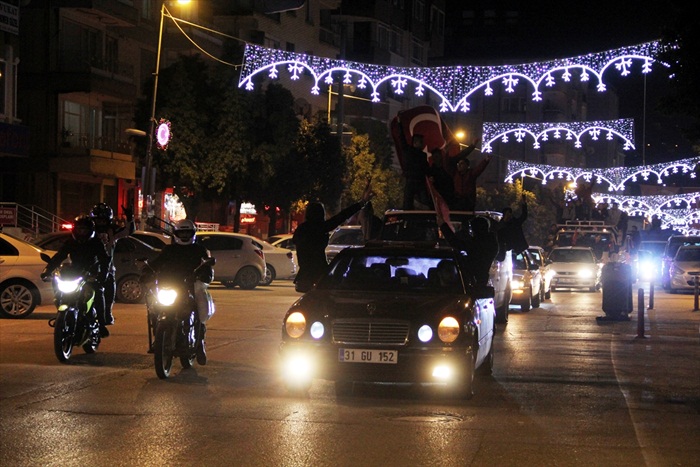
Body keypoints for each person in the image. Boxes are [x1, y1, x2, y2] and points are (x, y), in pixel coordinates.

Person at [145, 219, 214, 364]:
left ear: (193, 234)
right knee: (154, 307)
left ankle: (200, 342)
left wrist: (204, 275)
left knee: (200, 305)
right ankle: (159, 339)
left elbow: (208, 268)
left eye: (187, 232)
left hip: (191, 285)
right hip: (171, 285)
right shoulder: (169, 250)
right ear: (176, 234)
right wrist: (147, 271)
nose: (184, 235)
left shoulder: (200, 250)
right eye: (181, 232)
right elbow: (157, 263)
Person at [293, 181, 373, 293]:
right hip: (318, 275)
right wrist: (362, 203)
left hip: (304, 277)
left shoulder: (301, 229)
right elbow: (341, 216)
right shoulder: (319, 228)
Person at [41, 216, 112, 337]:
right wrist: (48, 270)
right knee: (59, 288)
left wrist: (102, 275)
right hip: (74, 272)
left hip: (91, 273)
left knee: (98, 292)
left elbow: (104, 260)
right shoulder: (71, 242)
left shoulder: (96, 243)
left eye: (84, 229)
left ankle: (101, 324)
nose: (82, 232)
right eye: (79, 229)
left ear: (90, 230)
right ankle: (62, 317)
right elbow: (59, 256)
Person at [90, 203, 135, 328]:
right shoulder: (87, 230)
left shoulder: (112, 231)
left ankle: (106, 314)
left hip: (107, 268)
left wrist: (130, 218)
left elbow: (128, 231)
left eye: (103, 220)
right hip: (87, 268)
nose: (100, 223)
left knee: (108, 292)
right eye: (98, 219)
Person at [436, 210, 499, 287]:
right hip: (478, 280)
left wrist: (443, 225)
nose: (472, 232)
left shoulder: (479, 244)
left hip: (474, 281)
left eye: (472, 229)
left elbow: (456, 243)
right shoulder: (491, 243)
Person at [399, 129, 431, 210]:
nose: (423, 144)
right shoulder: (408, 151)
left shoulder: (423, 155)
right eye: (421, 142)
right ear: (415, 143)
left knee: (424, 202)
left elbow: (426, 168)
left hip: (420, 181)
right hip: (411, 180)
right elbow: (402, 139)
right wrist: (399, 124)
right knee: (408, 201)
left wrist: (430, 175)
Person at [495, 195, 529, 261]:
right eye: (507, 214)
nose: (508, 216)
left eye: (509, 213)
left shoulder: (515, 222)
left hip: (514, 249)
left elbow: (524, 216)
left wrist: (524, 204)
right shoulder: (501, 224)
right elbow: (498, 231)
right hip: (503, 249)